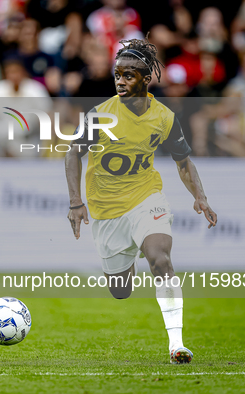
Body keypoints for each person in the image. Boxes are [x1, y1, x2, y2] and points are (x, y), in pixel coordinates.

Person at [64, 37, 217, 364]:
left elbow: (183, 162)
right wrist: (76, 202)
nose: (120, 80)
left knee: (160, 259)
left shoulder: (163, 117)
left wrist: (200, 197)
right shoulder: (100, 115)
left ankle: (177, 344)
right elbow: (73, 154)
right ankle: (129, 250)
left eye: (129, 75)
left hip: (146, 198)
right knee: (121, 290)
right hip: (106, 211)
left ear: (146, 79)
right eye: (117, 74)